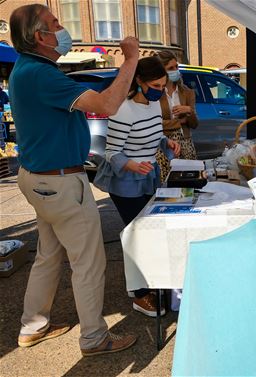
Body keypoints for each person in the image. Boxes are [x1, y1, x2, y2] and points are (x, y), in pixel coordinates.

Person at [10, 4, 137, 355]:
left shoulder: (28, 70)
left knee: (48, 255)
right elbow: (108, 105)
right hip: (61, 183)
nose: (62, 29)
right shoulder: (41, 74)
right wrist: (130, 61)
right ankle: (95, 338)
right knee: (89, 263)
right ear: (40, 36)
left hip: (40, 180)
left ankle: (32, 325)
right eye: (55, 24)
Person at [94, 56, 180, 317]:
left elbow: (153, 136)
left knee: (149, 230)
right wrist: (131, 165)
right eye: (155, 85)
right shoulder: (123, 110)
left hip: (148, 174)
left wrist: (166, 144)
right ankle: (140, 295)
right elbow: (111, 152)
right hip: (125, 179)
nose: (160, 90)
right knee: (136, 234)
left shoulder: (153, 106)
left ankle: (146, 283)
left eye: (163, 85)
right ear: (139, 82)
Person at [155, 50, 199, 183]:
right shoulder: (155, 93)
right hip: (165, 148)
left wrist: (189, 110)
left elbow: (194, 124)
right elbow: (154, 124)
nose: (175, 70)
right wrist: (179, 122)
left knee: (190, 184)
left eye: (176, 67)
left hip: (186, 146)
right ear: (161, 71)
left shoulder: (187, 92)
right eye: (170, 68)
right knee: (168, 186)